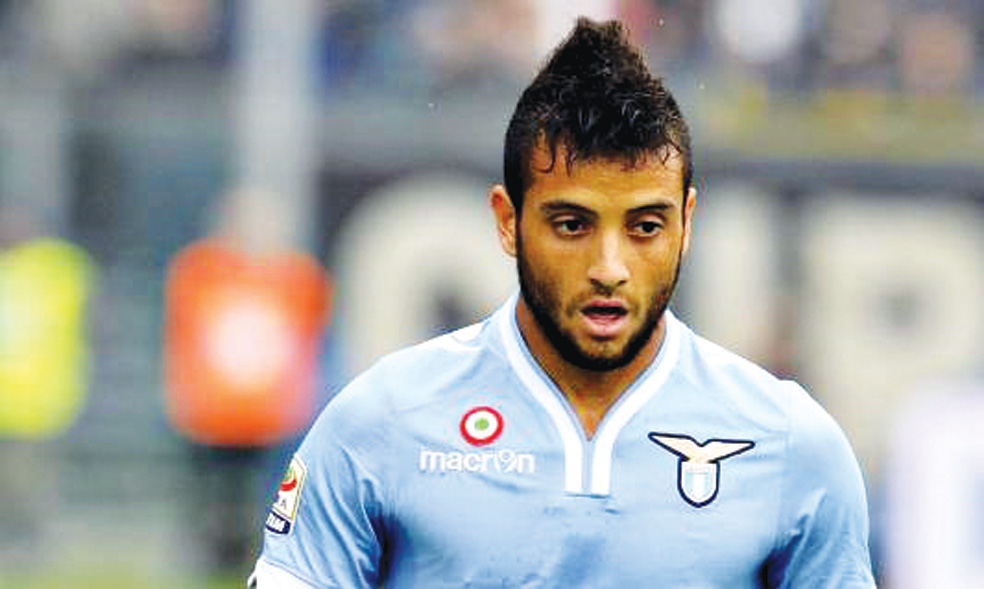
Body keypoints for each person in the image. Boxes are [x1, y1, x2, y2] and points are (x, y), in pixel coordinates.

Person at [249, 18, 875, 588]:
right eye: (573, 225)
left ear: (687, 223)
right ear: (508, 220)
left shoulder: (791, 444)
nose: (609, 269)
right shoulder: (382, 420)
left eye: (645, 227)